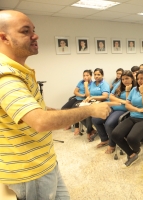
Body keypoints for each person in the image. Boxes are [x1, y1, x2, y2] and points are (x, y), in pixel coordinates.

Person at [0, 10, 115, 199]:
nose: (35, 35)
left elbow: (31, 113)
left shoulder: (17, 70)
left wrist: (49, 111)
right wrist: (91, 109)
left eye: (33, 30)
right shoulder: (7, 77)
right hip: (31, 170)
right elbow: (40, 122)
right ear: (4, 38)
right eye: (25, 31)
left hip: (43, 161)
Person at [111, 70, 143, 167]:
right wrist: (137, 110)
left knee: (132, 138)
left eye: (142, 78)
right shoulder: (134, 90)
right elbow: (127, 106)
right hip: (133, 116)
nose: (139, 81)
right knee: (115, 134)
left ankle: (136, 149)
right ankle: (132, 154)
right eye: (138, 79)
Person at [92, 70, 136, 153]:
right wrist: (122, 101)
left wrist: (127, 92)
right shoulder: (119, 84)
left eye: (127, 78)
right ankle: (105, 139)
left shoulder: (135, 88)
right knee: (95, 119)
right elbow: (111, 96)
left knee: (109, 124)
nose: (124, 81)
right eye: (123, 79)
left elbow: (131, 103)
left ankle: (112, 144)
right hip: (112, 107)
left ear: (132, 79)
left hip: (123, 110)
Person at [61, 69, 93, 135]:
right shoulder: (80, 82)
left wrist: (86, 86)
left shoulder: (92, 84)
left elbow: (88, 95)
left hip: (83, 100)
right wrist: (82, 95)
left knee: (74, 110)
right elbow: (75, 92)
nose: (85, 77)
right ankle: (69, 123)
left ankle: (77, 127)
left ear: (91, 76)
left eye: (87, 75)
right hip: (77, 98)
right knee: (63, 108)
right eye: (84, 75)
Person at [82, 68, 110, 141]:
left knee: (88, 114)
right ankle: (91, 130)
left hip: (103, 103)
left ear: (102, 75)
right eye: (95, 75)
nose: (96, 76)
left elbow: (105, 96)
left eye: (98, 74)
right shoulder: (93, 84)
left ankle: (89, 132)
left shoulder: (104, 84)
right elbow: (88, 95)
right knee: (79, 113)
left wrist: (93, 97)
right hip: (93, 102)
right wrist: (86, 86)